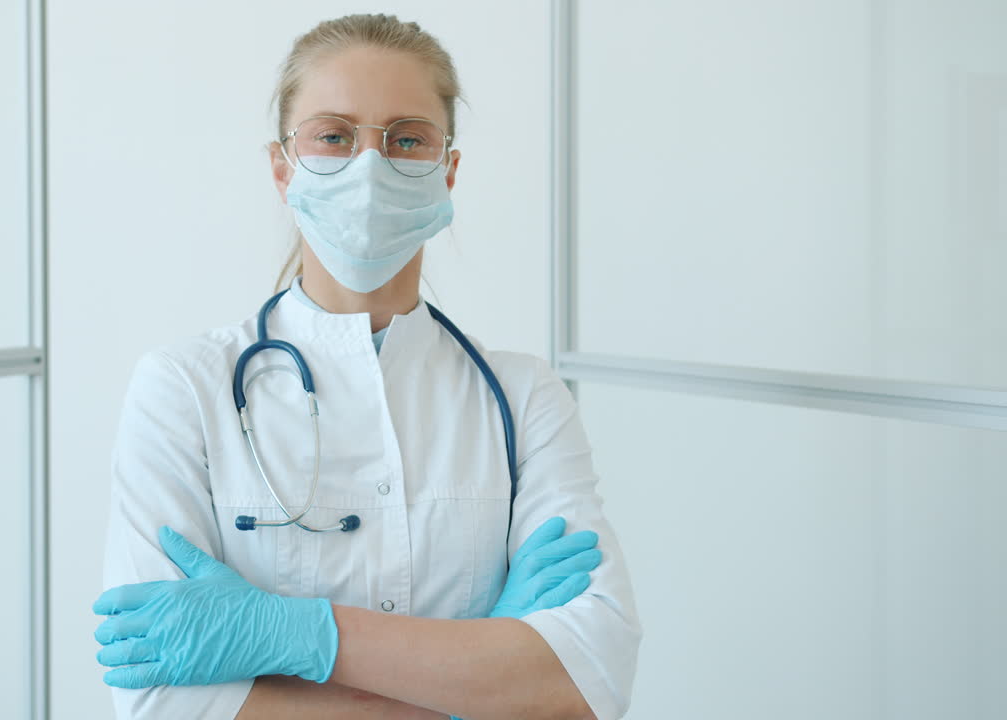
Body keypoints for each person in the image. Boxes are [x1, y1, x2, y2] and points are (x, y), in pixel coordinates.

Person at [92, 13, 641, 720]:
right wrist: (482, 682)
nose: (370, 167)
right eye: (334, 136)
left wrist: (295, 632)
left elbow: (588, 682)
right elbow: (158, 698)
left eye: (406, 139)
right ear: (282, 167)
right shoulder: (183, 389)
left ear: (448, 170)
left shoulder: (525, 398)